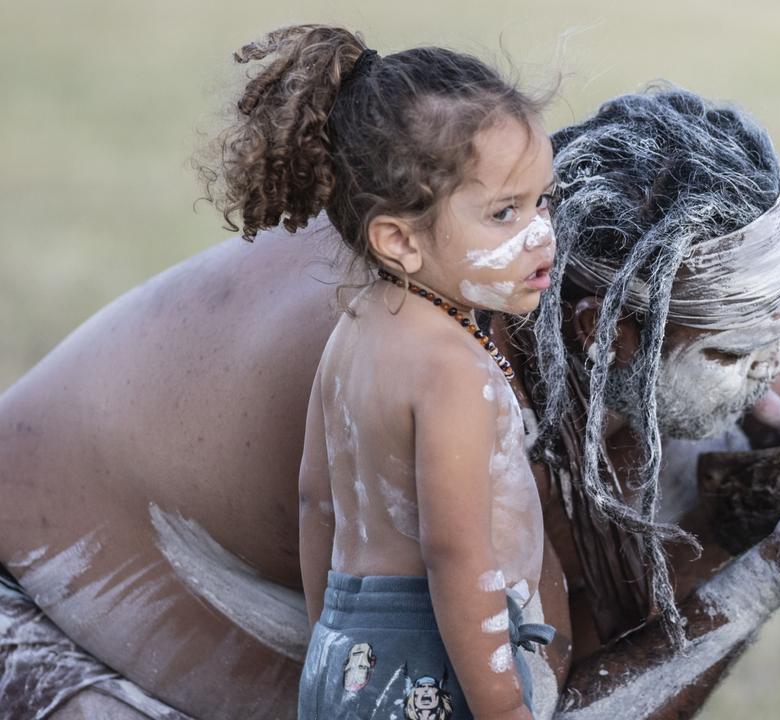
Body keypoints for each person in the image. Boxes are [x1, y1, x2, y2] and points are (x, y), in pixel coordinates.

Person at [0, 83, 780, 718]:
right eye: (742, 347)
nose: (776, 371)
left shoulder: (518, 251)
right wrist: (769, 573)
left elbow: (723, 363)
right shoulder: (453, 394)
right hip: (30, 622)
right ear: (608, 326)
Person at [198, 26, 560, 719]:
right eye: (504, 213)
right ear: (399, 239)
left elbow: (317, 503)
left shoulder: (354, 332)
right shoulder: (453, 366)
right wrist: (504, 709)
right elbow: (457, 555)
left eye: (543, 200)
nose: (540, 233)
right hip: (438, 663)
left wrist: (335, 646)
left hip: (348, 656)